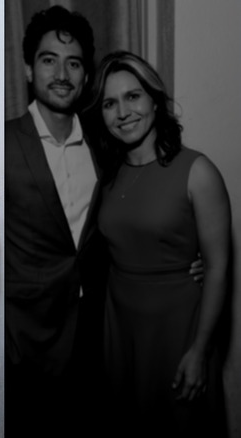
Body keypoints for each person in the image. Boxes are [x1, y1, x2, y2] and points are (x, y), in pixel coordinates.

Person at [83, 50, 230, 437]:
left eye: (133, 96)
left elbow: (217, 269)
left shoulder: (198, 171)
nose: (123, 112)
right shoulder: (110, 178)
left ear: (154, 99)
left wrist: (200, 350)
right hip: (120, 330)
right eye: (110, 103)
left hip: (177, 330)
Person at [4, 6, 109, 437]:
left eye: (74, 62)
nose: (62, 73)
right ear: (29, 68)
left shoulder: (107, 144)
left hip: (97, 333)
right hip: (24, 339)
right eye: (49, 60)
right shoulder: (3, 142)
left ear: (86, 76)